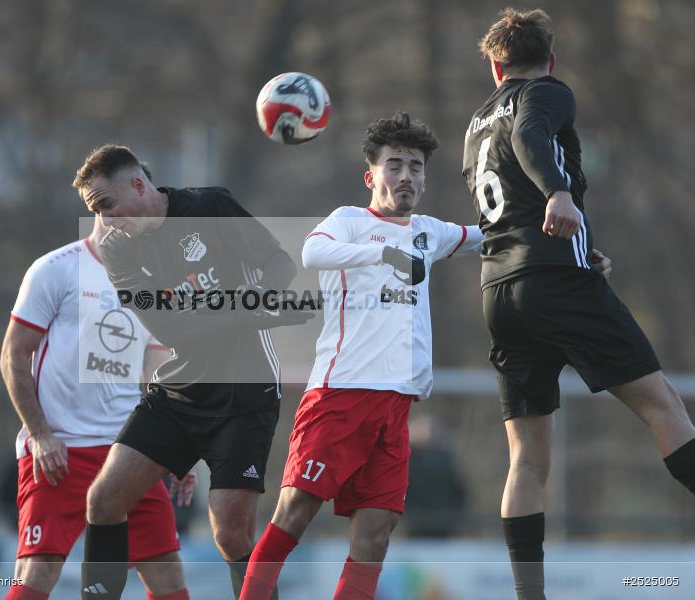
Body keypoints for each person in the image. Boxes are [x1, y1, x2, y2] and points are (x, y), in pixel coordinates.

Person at [463, 9, 695, 599]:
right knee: (663, 406)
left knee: (527, 457)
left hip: (500, 291)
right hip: (554, 284)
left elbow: (508, 203)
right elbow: (530, 137)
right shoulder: (545, 93)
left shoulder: (474, 123)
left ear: (495, 66)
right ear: (551, 59)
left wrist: (582, 249)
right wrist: (560, 192)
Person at [238, 112, 485, 600]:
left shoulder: (429, 232)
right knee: (293, 515)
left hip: (396, 409)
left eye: (415, 167)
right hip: (340, 398)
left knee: (375, 536)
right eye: (394, 165)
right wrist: (383, 253)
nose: (406, 176)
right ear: (371, 176)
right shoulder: (349, 222)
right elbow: (312, 253)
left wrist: (574, 251)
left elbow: (495, 237)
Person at [72, 144, 311, 600]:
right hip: (180, 392)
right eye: (94, 212)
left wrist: (255, 304)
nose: (104, 220)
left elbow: (279, 264)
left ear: (139, 185)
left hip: (246, 390)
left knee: (231, 536)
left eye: (107, 205)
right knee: (103, 501)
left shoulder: (210, 206)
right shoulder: (117, 252)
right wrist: (258, 311)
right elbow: (173, 329)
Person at [0, 216, 192, 600]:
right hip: (61, 452)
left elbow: (156, 377)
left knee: (167, 572)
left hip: (129, 453)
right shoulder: (56, 268)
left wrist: (177, 449)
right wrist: (40, 435)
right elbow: (13, 355)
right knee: (38, 571)